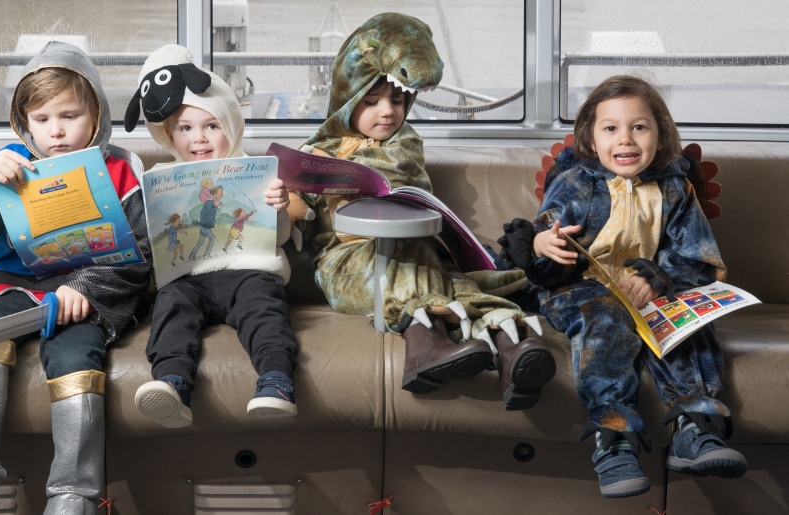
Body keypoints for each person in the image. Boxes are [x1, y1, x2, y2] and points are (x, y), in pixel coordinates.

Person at [498, 75, 747, 498]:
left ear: (660, 134)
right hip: (580, 290)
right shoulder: (576, 182)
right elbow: (547, 229)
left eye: (639, 126)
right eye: (610, 128)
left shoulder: (674, 188)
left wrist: (657, 278)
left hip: (651, 291)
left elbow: (697, 255)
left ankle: (694, 427)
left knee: (688, 325)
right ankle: (613, 439)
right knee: (606, 315)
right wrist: (542, 243)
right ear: (591, 140)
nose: (625, 139)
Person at [295, 12, 555, 408]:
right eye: (372, 101)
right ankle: (425, 345)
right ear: (348, 102)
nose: (388, 111)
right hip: (347, 263)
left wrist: (353, 175)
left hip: (418, 253)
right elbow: (298, 209)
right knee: (416, 267)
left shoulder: (405, 145)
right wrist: (288, 190)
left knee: (444, 272)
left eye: (397, 100)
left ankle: (512, 346)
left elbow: (397, 174)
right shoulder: (318, 151)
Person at [0, 41, 151, 514]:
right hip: (12, 287)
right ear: (24, 121)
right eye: (41, 119)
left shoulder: (122, 170)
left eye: (69, 115)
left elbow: (141, 254)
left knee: (79, 359)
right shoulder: (10, 161)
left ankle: (73, 498)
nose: (55, 131)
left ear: (96, 112)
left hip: (83, 296)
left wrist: (83, 292)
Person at [124, 44, 298, 428]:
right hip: (190, 276)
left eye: (211, 126)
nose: (198, 139)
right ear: (169, 133)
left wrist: (279, 208)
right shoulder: (163, 180)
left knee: (264, 312)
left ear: (231, 126)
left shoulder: (254, 170)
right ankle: (171, 383)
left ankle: (276, 382)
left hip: (248, 271)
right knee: (171, 307)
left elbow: (279, 236)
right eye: (185, 128)